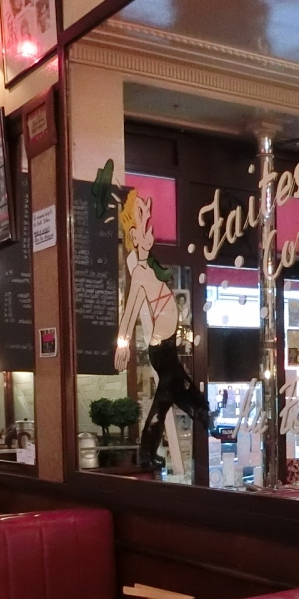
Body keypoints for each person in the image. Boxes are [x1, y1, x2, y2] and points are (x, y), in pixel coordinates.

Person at [114, 190, 216, 472]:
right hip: (162, 348)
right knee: (174, 392)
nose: (149, 233)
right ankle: (202, 414)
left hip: (165, 344)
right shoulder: (140, 274)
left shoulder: (149, 269)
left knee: (168, 397)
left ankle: (151, 449)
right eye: (143, 229)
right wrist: (123, 342)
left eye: (148, 226)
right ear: (134, 238)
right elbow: (131, 309)